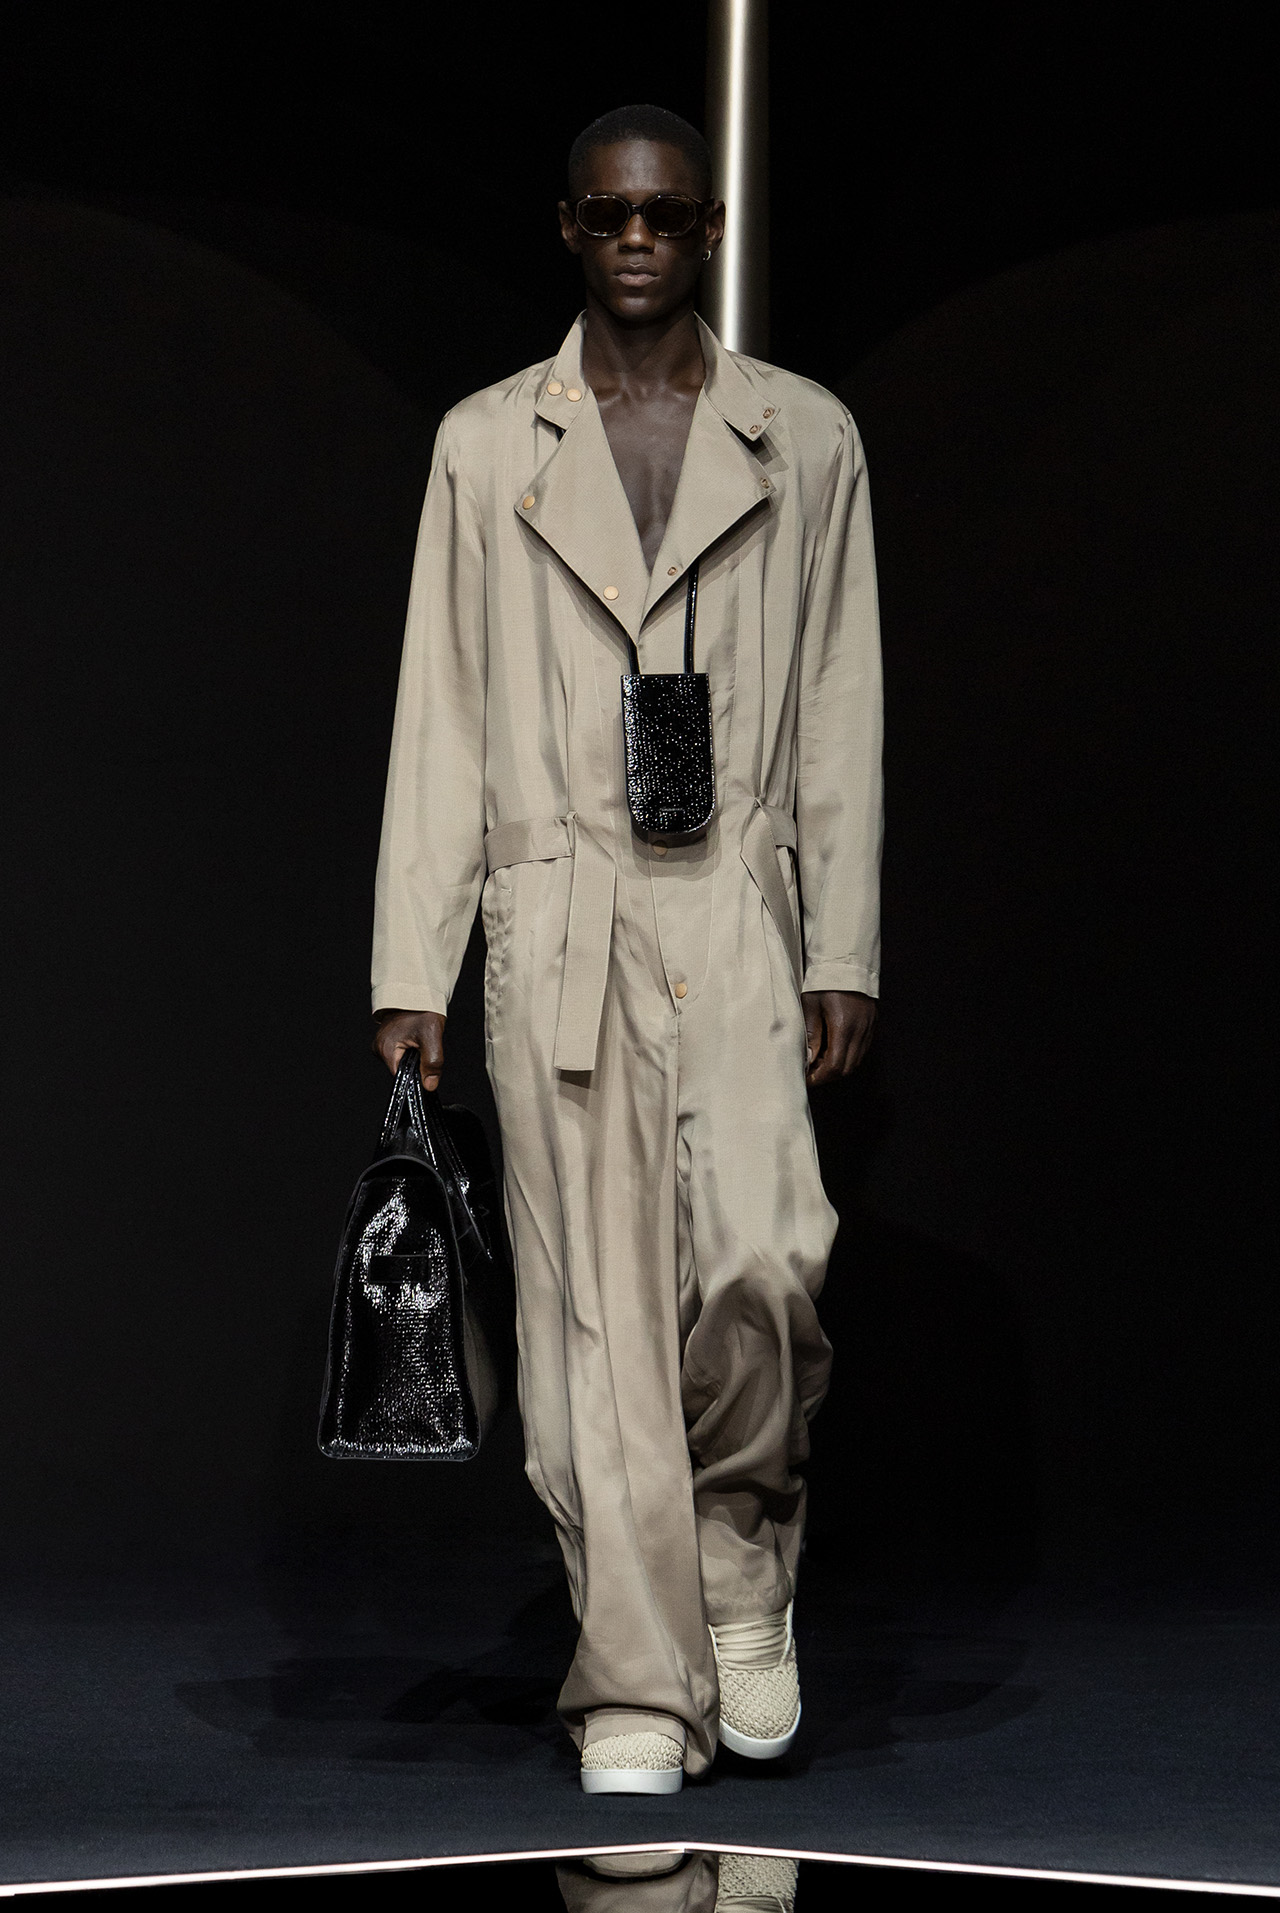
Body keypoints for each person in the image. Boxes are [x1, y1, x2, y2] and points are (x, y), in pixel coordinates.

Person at [372, 103, 882, 1794]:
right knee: (590, 1321)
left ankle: (739, 1569)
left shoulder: (805, 436)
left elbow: (840, 703)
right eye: (609, 215)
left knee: (764, 1264)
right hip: (560, 898)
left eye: (665, 214)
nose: (639, 239)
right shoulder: (484, 443)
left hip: (734, 897)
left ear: (709, 227)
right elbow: (442, 706)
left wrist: (843, 939)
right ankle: (637, 1688)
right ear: (571, 229)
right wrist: (413, 963)